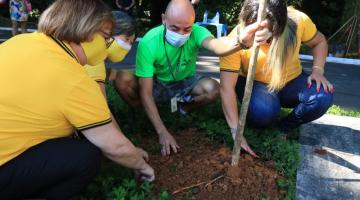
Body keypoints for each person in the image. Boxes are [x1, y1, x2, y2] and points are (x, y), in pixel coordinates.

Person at [0, 0, 154, 199]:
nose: (107, 45)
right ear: (87, 32)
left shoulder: (21, 41)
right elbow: (113, 146)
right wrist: (143, 167)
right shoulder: (73, 76)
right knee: (85, 157)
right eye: (106, 38)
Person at [115, 0, 270, 156]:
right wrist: (162, 132)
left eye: (186, 29)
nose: (181, 34)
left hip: (185, 82)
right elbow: (146, 90)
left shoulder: (197, 32)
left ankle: (182, 108)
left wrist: (240, 41)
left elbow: (216, 45)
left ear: (193, 24)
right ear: (163, 19)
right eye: (174, 28)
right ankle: (143, 115)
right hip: (158, 83)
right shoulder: (149, 41)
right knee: (123, 79)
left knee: (212, 88)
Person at [220, 0, 334, 155]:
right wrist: (235, 131)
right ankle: (265, 112)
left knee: (322, 97)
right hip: (257, 85)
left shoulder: (298, 20)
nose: (261, 37)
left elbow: (319, 42)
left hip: (292, 81)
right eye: (254, 30)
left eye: (269, 32)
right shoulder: (236, 39)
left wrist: (317, 70)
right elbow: (226, 87)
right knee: (263, 113)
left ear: (281, 24)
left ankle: (284, 127)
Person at [82, 10, 136, 96]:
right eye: (126, 39)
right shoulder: (94, 62)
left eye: (131, 43)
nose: (128, 47)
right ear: (110, 32)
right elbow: (99, 104)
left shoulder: (87, 44)